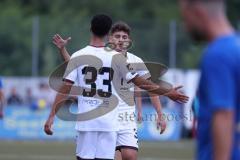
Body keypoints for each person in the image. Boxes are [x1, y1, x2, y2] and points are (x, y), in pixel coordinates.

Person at [45, 14, 188, 160]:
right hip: (108, 120)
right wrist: (168, 92)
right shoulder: (115, 57)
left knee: (126, 155)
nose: (121, 40)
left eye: (124, 37)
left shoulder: (83, 55)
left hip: (97, 118)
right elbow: (141, 83)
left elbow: (69, 79)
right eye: (117, 36)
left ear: (90, 29)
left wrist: (51, 116)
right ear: (109, 35)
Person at [179, 0, 240, 160]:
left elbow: (223, 115)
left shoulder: (217, 55)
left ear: (198, 12)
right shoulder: (235, 47)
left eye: (186, 19)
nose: (185, 27)